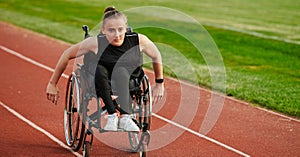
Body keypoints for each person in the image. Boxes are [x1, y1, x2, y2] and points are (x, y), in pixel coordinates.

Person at [46, 6, 164, 132]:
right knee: (100, 69)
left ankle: (125, 117)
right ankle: (112, 114)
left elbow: (156, 55)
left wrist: (159, 83)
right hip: (101, 79)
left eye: (120, 29)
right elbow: (67, 54)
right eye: (111, 30)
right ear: (103, 30)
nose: (117, 35)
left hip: (128, 78)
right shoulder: (95, 43)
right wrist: (52, 83)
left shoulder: (137, 40)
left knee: (121, 71)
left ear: (126, 28)